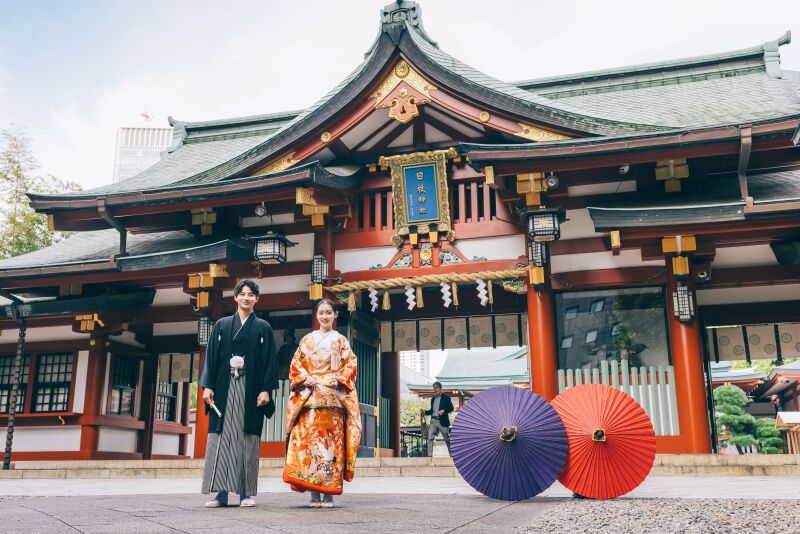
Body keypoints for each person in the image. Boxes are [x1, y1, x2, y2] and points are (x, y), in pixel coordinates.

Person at [199, 279, 278, 508]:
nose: (246, 298)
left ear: (256, 299)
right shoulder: (222, 325)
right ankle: (220, 493)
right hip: (224, 388)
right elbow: (211, 358)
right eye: (242, 294)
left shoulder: (263, 327)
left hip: (250, 388)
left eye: (250, 294)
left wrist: (266, 389)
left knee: (247, 439)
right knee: (221, 438)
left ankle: (246, 492)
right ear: (235, 298)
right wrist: (208, 386)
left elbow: (269, 362)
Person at [283, 299, 361, 508]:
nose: (324, 316)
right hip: (311, 398)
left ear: (336, 315)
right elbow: (296, 365)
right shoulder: (307, 340)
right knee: (310, 447)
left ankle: (328, 494)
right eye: (321, 312)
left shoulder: (341, 341)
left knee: (331, 448)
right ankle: (313, 493)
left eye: (329, 312)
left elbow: (350, 364)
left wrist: (340, 379)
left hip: (333, 400)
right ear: (316, 315)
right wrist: (304, 378)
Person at [425, 382, 454, 456]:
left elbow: (451, 408)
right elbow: (432, 411)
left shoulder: (446, 397)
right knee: (430, 436)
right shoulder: (433, 399)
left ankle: (452, 454)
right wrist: (424, 412)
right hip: (434, 421)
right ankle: (429, 455)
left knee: (447, 439)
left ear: (440, 388)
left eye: (437, 387)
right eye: (434, 388)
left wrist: (444, 411)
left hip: (443, 421)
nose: (435, 389)